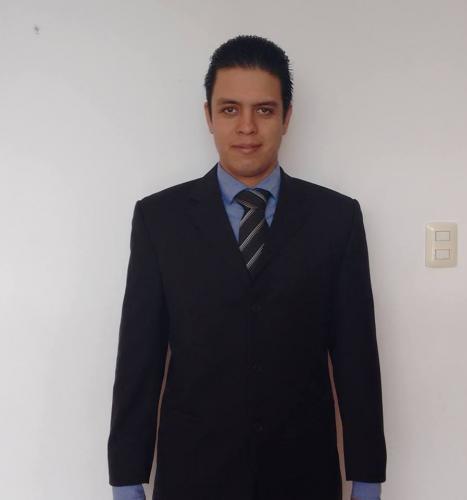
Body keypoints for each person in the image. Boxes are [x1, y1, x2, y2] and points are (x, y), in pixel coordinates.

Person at [107, 35, 387, 500]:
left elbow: (357, 357)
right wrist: (125, 476)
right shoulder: (159, 219)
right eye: (230, 109)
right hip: (194, 473)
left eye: (264, 109)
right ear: (209, 116)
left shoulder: (336, 219)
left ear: (287, 117)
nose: (247, 127)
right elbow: (140, 356)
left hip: (303, 473)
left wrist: (368, 476)